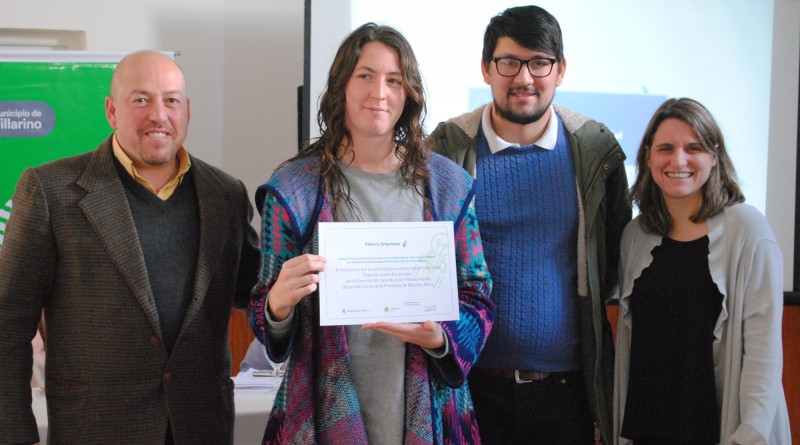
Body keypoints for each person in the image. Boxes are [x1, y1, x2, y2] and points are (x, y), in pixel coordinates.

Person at [249, 23, 494, 444]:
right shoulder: (292, 190)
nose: (379, 92)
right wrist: (278, 303)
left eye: (394, 80)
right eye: (365, 75)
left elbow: (478, 295)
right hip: (322, 410)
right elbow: (263, 311)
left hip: (429, 408)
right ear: (342, 85)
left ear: (408, 94)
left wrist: (441, 338)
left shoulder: (448, 186)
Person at [0, 50, 260, 445]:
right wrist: (13, 434)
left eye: (171, 100)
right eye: (141, 99)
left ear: (187, 111)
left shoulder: (225, 194)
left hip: (201, 426)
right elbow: (8, 322)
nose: (159, 114)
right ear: (112, 111)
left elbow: (253, 291)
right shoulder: (50, 190)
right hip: (96, 429)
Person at [430, 5, 630, 444]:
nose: (524, 77)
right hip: (468, 386)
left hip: (566, 393)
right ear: (486, 69)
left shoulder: (595, 152)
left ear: (560, 70)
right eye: (509, 62)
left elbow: (613, 255)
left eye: (539, 62)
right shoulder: (447, 151)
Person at [613, 98, 791, 445]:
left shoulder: (749, 231)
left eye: (693, 148)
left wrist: (750, 434)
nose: (678, 160)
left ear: (714, 155)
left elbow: (763, 352)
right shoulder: (635, 235)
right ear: (648, 157)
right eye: (665, 148)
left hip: (723, 431)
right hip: (650, 429)